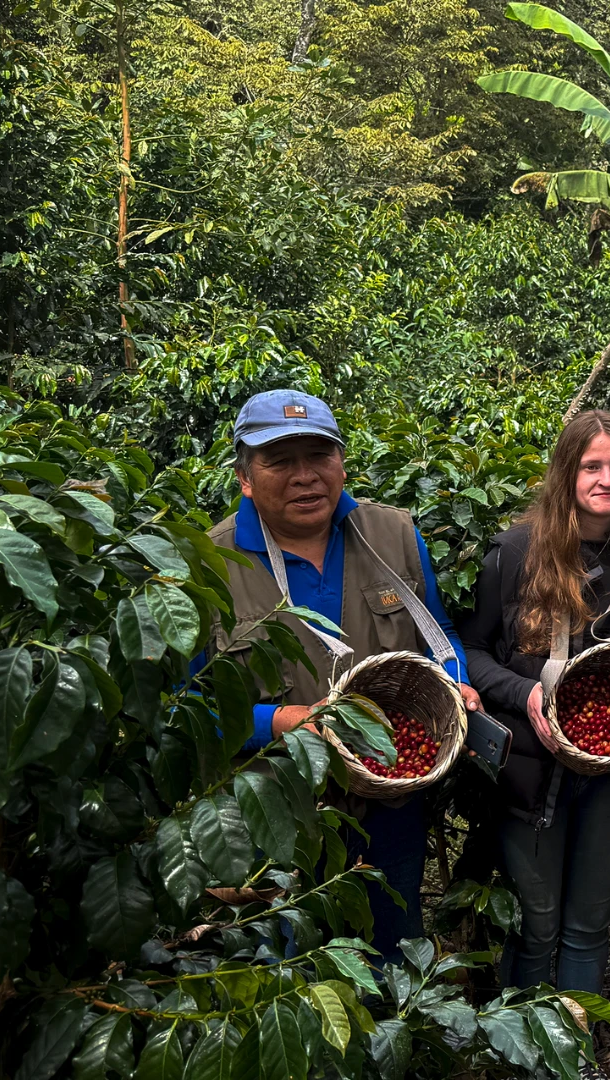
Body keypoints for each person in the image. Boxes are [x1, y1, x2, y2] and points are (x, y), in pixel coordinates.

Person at [206, 389, 482, 956]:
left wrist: (454, 679)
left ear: (342, 463)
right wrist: (282, 721)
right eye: (280, 461)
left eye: (319, 456)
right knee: (289, 963)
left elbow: (439, 634)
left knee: (391, 949)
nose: (305, 477)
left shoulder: (392, 536)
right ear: (245, 477)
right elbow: (188, 707)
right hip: (278, 809)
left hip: (390, 802)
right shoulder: (213, 563)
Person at [456, 409, 610, 994]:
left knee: (588, 922)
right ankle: (531, 1046)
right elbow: (474, 650)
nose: (607, 479)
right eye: (592, 466)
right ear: (567, 474)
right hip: (532, 765)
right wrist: (526, 691)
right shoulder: (516, 553)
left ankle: (574, 1046)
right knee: (535, 924)